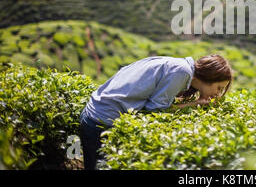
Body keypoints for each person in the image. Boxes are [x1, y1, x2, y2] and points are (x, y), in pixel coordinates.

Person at [79, 54, 233, 170]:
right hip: (101, 120)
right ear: (209, 77)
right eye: (219, 88)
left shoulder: (180, 66)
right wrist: (195, 104)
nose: (218, 94)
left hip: (96, 112)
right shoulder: (182, 72)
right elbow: (156, 111)